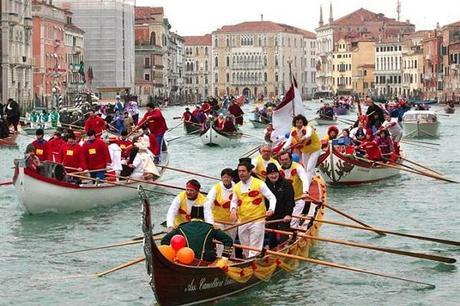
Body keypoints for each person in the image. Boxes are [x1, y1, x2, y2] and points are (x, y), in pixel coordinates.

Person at [230, 162, 276, 258]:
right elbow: (234, 201)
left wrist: (271, 209)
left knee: (254, 248)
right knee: (245, 248)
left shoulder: (260, 183)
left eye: (243, 171)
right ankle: (248, 262)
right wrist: (233, 209)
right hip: (242, 221)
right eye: (239, 171)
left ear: (250, 172)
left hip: (257, 220)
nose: (241, 173)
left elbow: (272, 197)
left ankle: (253, 262)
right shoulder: (236, 186)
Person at [161, 205, 233, 263]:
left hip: (185, 261)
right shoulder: (211, 228)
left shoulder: (181, 228)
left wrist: (173, 255)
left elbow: (164, 240)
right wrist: (224, 259)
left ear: (190, 217)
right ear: (203, 217)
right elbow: (228, 240)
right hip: (207, 261)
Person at [282, 114, 321, 193]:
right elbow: (289, 141)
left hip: (315, 149)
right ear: (295, 123)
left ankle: (306, 188)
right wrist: (283, 149)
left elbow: (308, 134)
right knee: (306, 168)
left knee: (310, 168)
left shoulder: (308, 128)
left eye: (300, 122)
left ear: (303, 123)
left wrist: (303, 138)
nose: (299, 124)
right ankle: (309, 179)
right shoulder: (293, 130)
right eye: (297, 123)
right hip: (305, 151)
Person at [206, 168, 237, 256]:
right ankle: (220, 259)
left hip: (232, 221)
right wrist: (210, 221)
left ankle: (231, 260)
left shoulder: (237, 188)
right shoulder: (216, 188)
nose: (226, 179)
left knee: (231, 241)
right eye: (224, 177)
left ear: (232, 178)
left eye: (228, 177)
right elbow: (208, 203)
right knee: (220, 242)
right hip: (218, 220)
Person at [264, 163, 295, 248]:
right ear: (267, 175)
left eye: (275, 173)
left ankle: (285, 248)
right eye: (271, 174)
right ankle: (271, 251)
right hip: (271, 216)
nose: (273, 175)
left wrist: (288, 214)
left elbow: (290, 201)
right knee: (271, 238)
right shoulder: (264, 185)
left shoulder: (286, 184)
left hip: (284, 216)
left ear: (278, 173)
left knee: (284, 238)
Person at [278, 151, 310, 229]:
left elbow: (305, 179)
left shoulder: (298, 167)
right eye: (282, 160)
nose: (284, 162)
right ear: (279, 161)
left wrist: (305, 192)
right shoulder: (278, 170)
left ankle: (293, 232)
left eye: (286, 159)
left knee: (294, 220)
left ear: (291, 159)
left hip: (298, 198)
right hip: (285, 200)